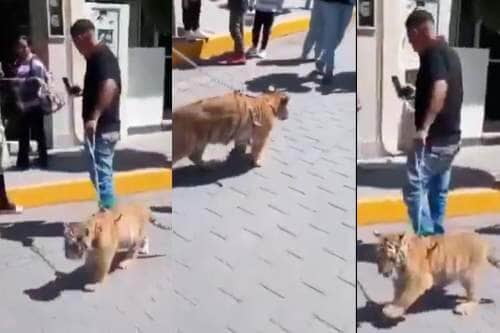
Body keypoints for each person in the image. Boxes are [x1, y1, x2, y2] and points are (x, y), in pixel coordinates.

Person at [402, 10, 463, 236]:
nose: (411, 44)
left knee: (413, 188)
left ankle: (427, 237)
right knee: (439, 190)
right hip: (451, 138)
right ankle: (437, 240)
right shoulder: (450, 53)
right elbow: (445, 90)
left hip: (433, 140)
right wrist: (416, 95)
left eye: (410, 38)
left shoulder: (432, 54)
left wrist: (424, 128)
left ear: (419, 32)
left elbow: (441, 89)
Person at [69, 19, 122, 210]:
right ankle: (107, 213)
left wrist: (94, 117)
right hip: (102, 127)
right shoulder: (95, 59)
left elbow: (110, 86)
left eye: (75, 42)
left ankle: (110, 218)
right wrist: (83, 92)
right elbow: (101, 87)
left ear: (84, 37)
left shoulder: (102, 57)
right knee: (100, 176)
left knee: (102, 177)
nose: (76, 47)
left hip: (103, 127)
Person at [13, 36, 49, 169]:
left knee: (39, 133)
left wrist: (23, 83)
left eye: (24, 46)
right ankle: (23, 162)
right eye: (19, 47)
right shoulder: (18, 62)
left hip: (35, 103)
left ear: (30, 47)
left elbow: (40, 83)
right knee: (23, 133)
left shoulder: (35, 62)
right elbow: (15, 81)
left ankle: (43, 159)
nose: (21, 49)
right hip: (22, 103)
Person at [315, 0, 354, 84]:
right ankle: (329, 70)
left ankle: (322, 59)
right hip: (330, 3)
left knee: (339, 35)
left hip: (348, 4)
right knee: (331, 35)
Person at [224, 0, 249, 65]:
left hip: (237, 5)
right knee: (239, 28)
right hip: (241, 5)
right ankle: (238, 52)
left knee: (234, 29)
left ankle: (240, 54)